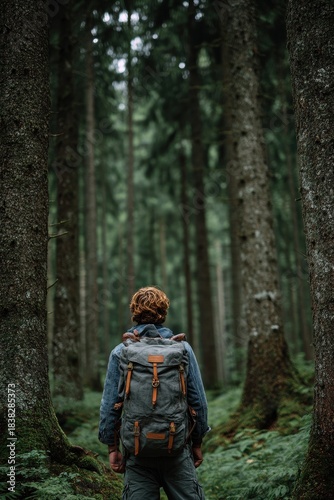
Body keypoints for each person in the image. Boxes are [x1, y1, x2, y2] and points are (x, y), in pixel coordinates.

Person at [99, 286, 209, 499]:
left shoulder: (121, 351)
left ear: (134, 313)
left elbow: (110, 404)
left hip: (138, 451)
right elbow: (198, 402)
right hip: (177, 448)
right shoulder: (182, 349)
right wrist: (197, 443)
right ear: (164, 313)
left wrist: (112, 447)